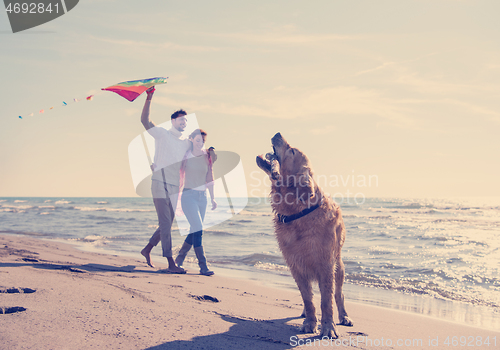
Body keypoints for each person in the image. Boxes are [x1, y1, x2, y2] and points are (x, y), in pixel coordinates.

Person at [139, 86, 190, 273]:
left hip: (176, 187)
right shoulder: (162, 134)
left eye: (186, 120)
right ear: (173, 121)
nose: (184, 122)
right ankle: (170, 263)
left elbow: (195, 158)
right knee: (166, 223)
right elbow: (144, 121)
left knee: (166, 224)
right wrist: (149, 98)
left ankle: (147, 249)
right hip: (160, 184)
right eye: (181, 119)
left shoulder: (186, 143)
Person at [175, 129, 217, 276]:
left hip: (202, 198)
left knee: (195, 230)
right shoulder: (185, 156)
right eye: (198, 140)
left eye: (203, 141)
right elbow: (173, 169)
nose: (200, 143)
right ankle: (203, 266)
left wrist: (213, 198)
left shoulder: (207, 157)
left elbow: (210, 178)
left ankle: (179, 260)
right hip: (188, 196)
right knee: (198, 228)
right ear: (192, 139)